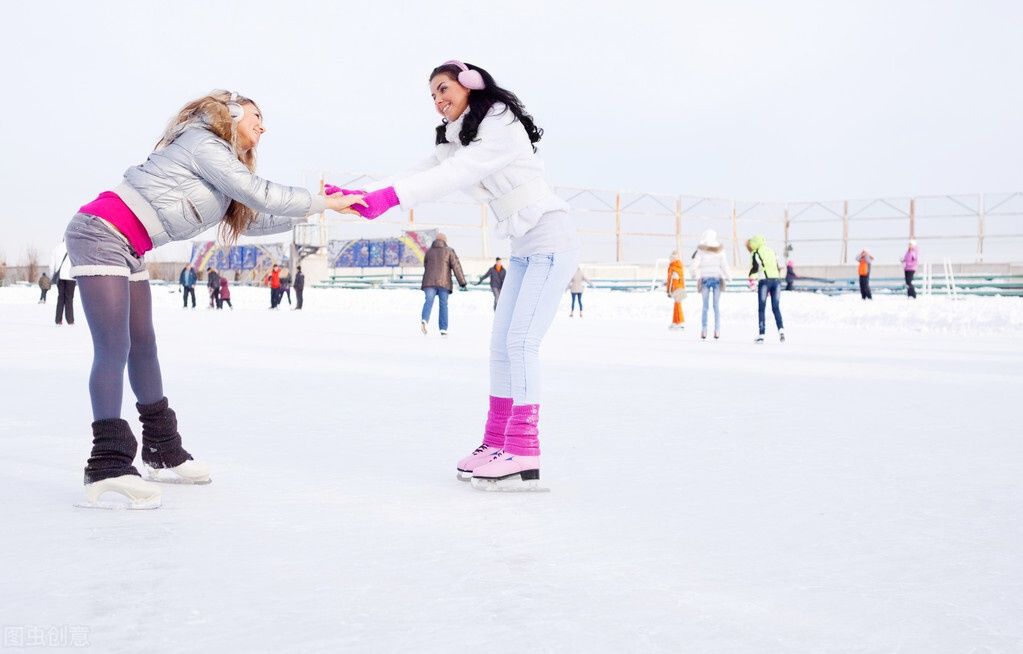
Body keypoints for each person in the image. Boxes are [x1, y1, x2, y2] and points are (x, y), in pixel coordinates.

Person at [62, 90, 364, 508]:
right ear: (234, 112)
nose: (263, 126)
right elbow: (259, 192)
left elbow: (255, 219)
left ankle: (162, 449)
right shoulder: (203, 142)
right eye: (257, 115)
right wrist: (320, 199)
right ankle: (108, 464)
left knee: (144, 346)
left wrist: (321, 210)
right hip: (99, 231)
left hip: (130, 245)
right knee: (115, 347)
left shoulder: (222, 173)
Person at [328, 60, 579, 489]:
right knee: (501, 345)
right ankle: (497, 440)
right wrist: (364, 194)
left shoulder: (500, 121)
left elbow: (455, 175)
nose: (438, 101)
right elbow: (424, 170)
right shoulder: (457, 135)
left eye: (444, 89)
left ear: (469, 85)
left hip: (551, 240)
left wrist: (389, 200)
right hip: (523, 247)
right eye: (432, 96)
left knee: (521, 343)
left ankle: (523, 448)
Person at [418, 233, 467, 335]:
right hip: (444, 283)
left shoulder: (429, 251)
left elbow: (426, 265)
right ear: (445, 240)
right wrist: (462, 282)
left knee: (429, 301)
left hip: (429, 282)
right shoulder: (449, 251)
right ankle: (443, 329)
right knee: (443, 305)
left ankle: (424, 319)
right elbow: (456, 266)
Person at [690, 229, 730, 339]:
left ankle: (704, 330)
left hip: (705, 279)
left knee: (705, 306)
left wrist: (694, 275)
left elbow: (694, 265)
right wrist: (728, 276)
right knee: (716, 306)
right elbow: (724, 264)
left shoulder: (701, 250)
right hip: (717, 278)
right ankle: (717, 330)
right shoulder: (720, 250)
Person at [747, 235, 785, 343]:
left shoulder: (756, 253)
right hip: (776, 281)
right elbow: (779, 265)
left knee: (761, 308)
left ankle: (762, 334)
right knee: (776, 307)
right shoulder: (772, 251)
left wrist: (751, 278)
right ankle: (781, 330)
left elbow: (754, 268)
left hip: (764, 281)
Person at [51, 237, 76, 325]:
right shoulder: (73, 248)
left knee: (60, 298)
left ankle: (58, 320)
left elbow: (52, 265)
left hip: (60, 277)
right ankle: (70, 320)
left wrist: (52, 275)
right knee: (69, 299)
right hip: (71, 277)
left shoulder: (56, 249)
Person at [666, 251, 686, 330]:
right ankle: (675, 322)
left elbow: (675, 278)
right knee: (676, 306)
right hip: (676, 288)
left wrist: (669, 289)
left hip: (677, 288)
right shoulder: (674, 266)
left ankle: (680, 322)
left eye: (672, 258)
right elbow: (670, 279)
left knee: (678, 306)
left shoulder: (675, 267)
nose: (670, 260)